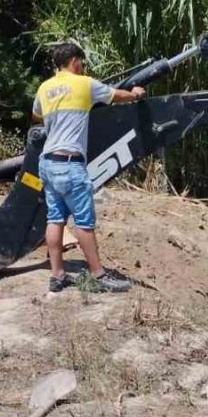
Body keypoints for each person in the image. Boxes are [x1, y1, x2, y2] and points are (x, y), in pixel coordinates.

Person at [33, 43, 146, 293]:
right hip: (70, 165)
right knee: (84, 221)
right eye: (80, 62)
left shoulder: (44, 88)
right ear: (74, 61)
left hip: (48, 163)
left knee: (55, 218)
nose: (82, 66)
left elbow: (37, 115)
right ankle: (98, 275)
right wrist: (136, 94)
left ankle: (58, 276)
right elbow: (117, 96)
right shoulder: (84, 83)